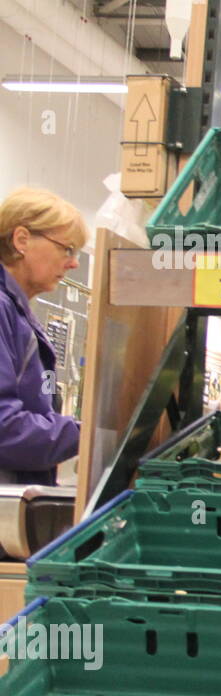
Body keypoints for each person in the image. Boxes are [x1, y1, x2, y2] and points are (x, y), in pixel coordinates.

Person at [0, 187, 85, 485]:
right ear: (22, 239)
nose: (74, 262)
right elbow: (4, 428)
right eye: (67, 249)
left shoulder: (17, 311)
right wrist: (84, 434)